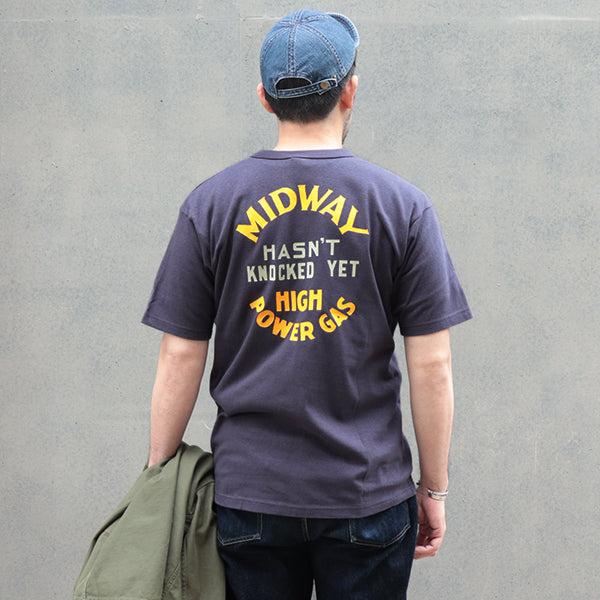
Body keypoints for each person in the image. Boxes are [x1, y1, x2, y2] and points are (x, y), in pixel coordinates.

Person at [142, 9, 472, 600]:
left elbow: (180, 356)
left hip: (250, 496)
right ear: (350, 91)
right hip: (367, 492)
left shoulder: (210, 204)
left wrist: (157, 479)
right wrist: (434, 487)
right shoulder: (402, 206)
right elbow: (432, 364)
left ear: (265, 99)